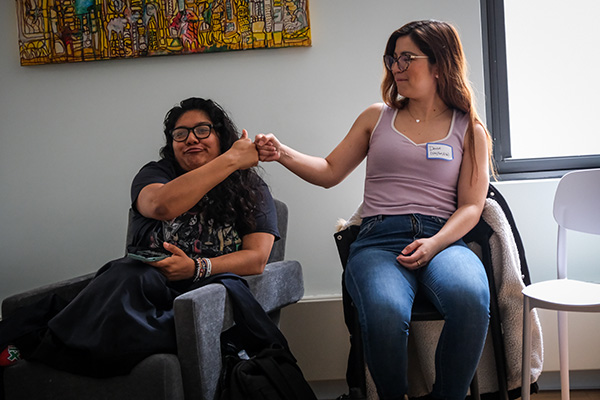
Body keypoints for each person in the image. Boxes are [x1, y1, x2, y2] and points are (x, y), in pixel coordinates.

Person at [255, 20, 493, 400]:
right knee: (384, 312)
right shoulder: (376, 117)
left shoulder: (469, 129)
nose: (395, 67)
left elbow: (470, 207)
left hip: (442, 239)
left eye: (406, 58)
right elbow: (329, 172)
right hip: (379, 240)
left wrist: (433, 244)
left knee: (472, 298)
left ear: (439, 63)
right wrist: (281, 152)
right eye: (392, 58)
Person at [0, 97, 280, 377]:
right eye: (180, 134)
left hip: (205, 294)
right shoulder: (155, 174)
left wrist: (196, 268)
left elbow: (256, 258)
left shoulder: (250, 187)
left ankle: (38, 344)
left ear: (221, 134)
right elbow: (160, 206)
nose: (191, 139)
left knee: (122, 292)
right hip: (143, 287)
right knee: (126, 274)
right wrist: (231, 159)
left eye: (202, 130)